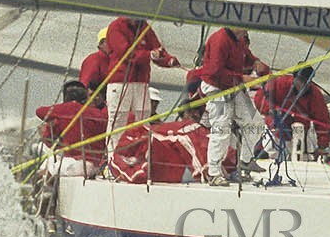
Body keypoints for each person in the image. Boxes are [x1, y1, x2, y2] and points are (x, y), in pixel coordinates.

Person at [193, 26, 269, 185]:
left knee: (255, 123)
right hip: (217, 88)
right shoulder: (220, 40)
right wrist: (242, 78)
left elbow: (246, 57)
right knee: (221, 128)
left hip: (234, 87)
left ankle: (244, 163)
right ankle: (213, 173)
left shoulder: (239, 39)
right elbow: (215, 72)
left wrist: (256, 63)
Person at [100, 16, 180, 157]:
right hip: (120, 82)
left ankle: (141, 157)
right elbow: (126, 53)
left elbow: (157, 50)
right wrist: (151, 55)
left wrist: (169, 60)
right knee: (118, 119)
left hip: (141, 82)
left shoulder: (144, 26)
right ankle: (112, 160)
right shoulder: (116, 27)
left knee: (143, 119)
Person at [253, 66, 330, 161]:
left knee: (305, 157)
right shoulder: (280, 83)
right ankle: (263, 149)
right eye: (299, 80)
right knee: (271, 152)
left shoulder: (315, 95)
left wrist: (322, 145)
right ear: (294, 78)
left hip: (301, 132)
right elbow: (259, 97)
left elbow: (322, 121)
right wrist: (272, 110)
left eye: (305, 81)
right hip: (276, 127)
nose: (302, 84)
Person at [78, 28, 111, 107]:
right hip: (97, 106)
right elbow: (85, 86)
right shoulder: (94, 60)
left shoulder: (115, 60)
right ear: (101, 43)